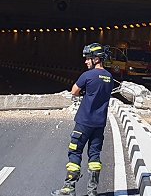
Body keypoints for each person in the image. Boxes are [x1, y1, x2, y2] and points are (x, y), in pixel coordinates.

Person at [52, 43, 114, 196]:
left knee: (75, 151)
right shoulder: (109, 77)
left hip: (84, 122)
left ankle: (69, 188)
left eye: (88, 59)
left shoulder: (87, 75)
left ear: (96, 59)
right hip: (99, 124)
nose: (86, 62)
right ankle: (92, 191)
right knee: (94, 155)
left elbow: (74, 91)